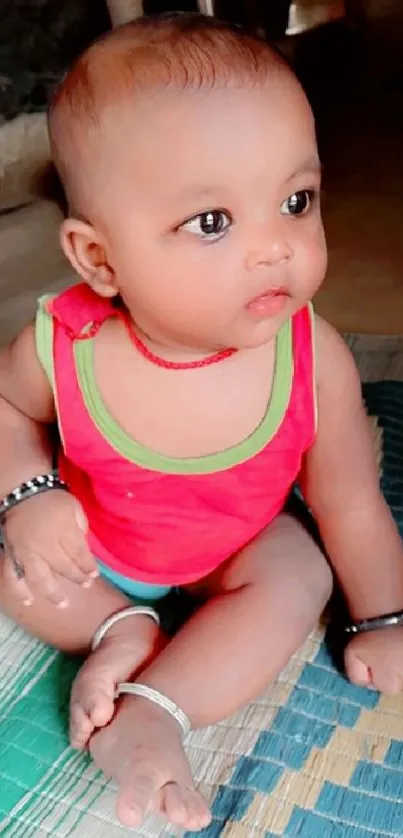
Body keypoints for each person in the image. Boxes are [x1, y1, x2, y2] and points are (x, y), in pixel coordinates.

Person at [0, 13, 402, 833]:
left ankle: (156, 708)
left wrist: (386, 615)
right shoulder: (63, 347)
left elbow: (351, 503)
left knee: (301, 574)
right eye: (212, 222)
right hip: (101, 548)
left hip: (237, 547)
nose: (274, 249)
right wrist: (28, 491)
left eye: (295, 201)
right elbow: (5, 410)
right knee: (11, 559)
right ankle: (120, 624)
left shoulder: (308, 358)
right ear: (99, 260)